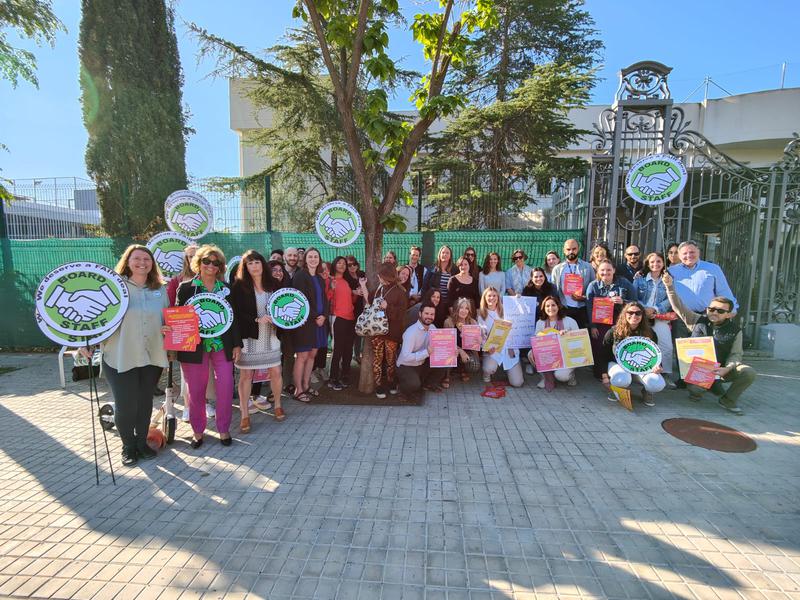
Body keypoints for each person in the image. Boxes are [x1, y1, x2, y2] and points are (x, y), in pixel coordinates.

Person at [97, 245, 169, 466]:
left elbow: (166, 318)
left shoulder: (160, 289)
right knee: (126, 404)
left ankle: (141, 444)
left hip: (151, 356)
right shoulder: (114, 287)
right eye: (136, 258)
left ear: (152, 263)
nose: (142, 262)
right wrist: (86, 342)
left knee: (145, 402)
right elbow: (98, 317)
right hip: (120, 355)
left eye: (146, 259)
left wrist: (169, 329)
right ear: (127, 261)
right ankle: (128, 446)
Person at [176, 245, 242, 448]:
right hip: (195, 347)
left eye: (216, 263)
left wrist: (237, 344)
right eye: (206, 261)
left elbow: (234, 319)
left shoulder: (227, 289)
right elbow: (178, 317)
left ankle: (223, 428)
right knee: (196, 390)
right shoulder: (186, 288)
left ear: (221, 266)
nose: (211, 266)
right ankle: (198, 431)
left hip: (223, 344)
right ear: (198, 262)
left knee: (225, 388)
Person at [663, 271, 755, 414]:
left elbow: (736, 355)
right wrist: (669, 286)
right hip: (699, 370)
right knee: (696, 389)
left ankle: (728, 400)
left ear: (729, 314)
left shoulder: (735, 330)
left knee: (748, 372)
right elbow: (678, 306)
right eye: (711, 309)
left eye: (720, 310)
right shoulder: (696, 320)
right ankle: (703, 389)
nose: (714, 312)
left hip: (722, 369)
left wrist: (727, 368)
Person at [231, 250, 285, 432]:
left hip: (270, 337)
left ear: (263, 264)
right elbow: (236, 314)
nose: (254, 266)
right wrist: (256, 319)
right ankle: (245, 414)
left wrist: (279, 318)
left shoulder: (274, 284)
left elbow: (282, 308)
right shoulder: (239, 287)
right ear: (245, 267)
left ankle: (277, 404)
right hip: (250, 339)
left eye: (257, 262)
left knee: (276, 371)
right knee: (246, 376)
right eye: (250, 263)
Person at [600, 301, 665, 407]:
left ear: (642, 315)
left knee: (657, 384)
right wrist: (604, 376)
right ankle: (616, 389)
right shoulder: (614, 332)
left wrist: (658, 367)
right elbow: (602, 355)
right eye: (630, 313)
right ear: (624, 314)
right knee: (621, 379)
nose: (634, 315)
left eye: (638, 313)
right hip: (617, 365)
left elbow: (655, 355)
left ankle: (647, 391)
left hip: (640, 367)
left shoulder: (650, 333)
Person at [360, 263, 407, 398]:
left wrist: (388, 307)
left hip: (392, 332)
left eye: (380, 275)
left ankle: (391, 382)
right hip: (377, 331)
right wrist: (363, 285)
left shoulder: (400, 291)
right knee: (378, 359)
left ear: (386, 276)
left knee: (391, 359)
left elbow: (402, 313)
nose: (378, 277)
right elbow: (369, 299)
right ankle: (379, 386)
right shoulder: (379, 288)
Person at [288, 247, 329, 402]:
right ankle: (298, 390)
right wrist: (315, 317)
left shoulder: (319, 278)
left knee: (312, 355)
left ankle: (306, 385)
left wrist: (324, 316)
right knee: (302, 356)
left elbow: (325, 300)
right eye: (310, 256)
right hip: (305, 323)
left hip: (319, 323)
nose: (313, 259)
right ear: (305, 259)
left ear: (319, 259)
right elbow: (300, 301)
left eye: (316, 256)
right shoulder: (300, 276)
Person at [586, 260, 636, 379]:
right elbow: (589, 307)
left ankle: (620, 373)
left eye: (609, 269)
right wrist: (592, 326)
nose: (605, 272)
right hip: (600, 322)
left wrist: (623, 302)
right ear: (597, 271)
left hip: (620, 321)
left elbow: (635, 301)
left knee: (618, 347)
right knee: (600, 346)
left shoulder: (624, 282)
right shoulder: (593, 285)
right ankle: (600, 374)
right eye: (602, 270)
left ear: (614, 270)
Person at [634, 252, 675, 388]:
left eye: (658, 261)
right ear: (647, 264)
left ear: (663, 263)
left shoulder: (668, 279)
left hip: (659, 316)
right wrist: (645, 309)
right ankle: (639, 371)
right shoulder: (639, 279)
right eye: (652, 262)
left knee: (666, 346)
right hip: (641, 315)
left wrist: (655, 309)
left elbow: (670, 298)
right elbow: (634, 296)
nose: (655, 264)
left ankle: (666, 374)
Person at [668, 240, 738, 315]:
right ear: (679, 256)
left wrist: (732, 309)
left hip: (706, 315)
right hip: (680, 316)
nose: (688, 255)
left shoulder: (713, 268)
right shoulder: (671, 271)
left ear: (698, 252)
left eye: (692, 252)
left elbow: (723, 291)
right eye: (685, 253)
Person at [527, 295, 578, 391]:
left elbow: (579, 342)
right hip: (549, 355)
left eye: (553, 305)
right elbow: (535, 343)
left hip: (566, 357)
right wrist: (541, 335)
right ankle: (545, 377)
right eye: (547, 306)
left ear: (558, 306)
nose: (550, 308)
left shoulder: (570, 321)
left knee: (561, 377)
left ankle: (571, 375)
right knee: (531, 353)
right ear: (544, 308)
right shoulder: (540, 323)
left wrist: (567, 335)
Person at [396, 303, 446, 396]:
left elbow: (441, 346)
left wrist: (451, 352)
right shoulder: (411, 332)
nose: (429, 317)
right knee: (414, 385)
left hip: (421, 364)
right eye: (426, 313)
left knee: (443, 362)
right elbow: (406, 357)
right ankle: (401, 388)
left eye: (432, 314)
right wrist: (426, 353)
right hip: (406, 365)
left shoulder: (432, 328)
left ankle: (427, 384)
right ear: (420, 314)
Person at [477, 287, 524, 387]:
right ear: (484, 298)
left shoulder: (506, 310)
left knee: (517, 383)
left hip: (508, 348)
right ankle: (486, 373)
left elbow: (520, 310)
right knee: (489, 368)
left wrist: (519, 299)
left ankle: (509, 371)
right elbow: (480, 335)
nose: (492, 298)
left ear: (498, 298)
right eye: (489, 296)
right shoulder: (481, 315)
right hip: (493, 349)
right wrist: (486, 348)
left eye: (494, 296)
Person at [328, 256, 358, 391]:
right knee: (338, 349)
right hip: (338, 318)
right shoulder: (330, 280)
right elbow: (326, 298)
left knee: (348, 349)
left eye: (344, 263)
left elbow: (351, 300)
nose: (342, 265)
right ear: (334, 264)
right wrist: (330, 288)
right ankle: (333, 378)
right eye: (339, 263)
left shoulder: (346, 281)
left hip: (350, 318)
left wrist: (356, 293)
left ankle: (345, 374)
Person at [551, 238, 594, 329]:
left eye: (574, 249)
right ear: (564, 250)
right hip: (564, 308)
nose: (571, 252)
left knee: (582, 338)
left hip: (582, 309)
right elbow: (553, 290)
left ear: (578, 249)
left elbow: (593, 288)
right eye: (568, 249)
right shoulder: (557, 269)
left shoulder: (588, 267)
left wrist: (584, 298)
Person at [443, 297, 481, 383]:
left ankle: (463, 369)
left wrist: (479, 340)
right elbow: (446, 343)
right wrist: (460, 351)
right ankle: (447, 374)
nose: (464, 311)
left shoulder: (472, 322)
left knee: (475, 365)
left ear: (469, 311)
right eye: (461, 307)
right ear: (457, 309)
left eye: (467, 308)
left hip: (468, 351)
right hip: (453, 350)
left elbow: (476, 343)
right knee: (449, 353)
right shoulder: (448, 322)